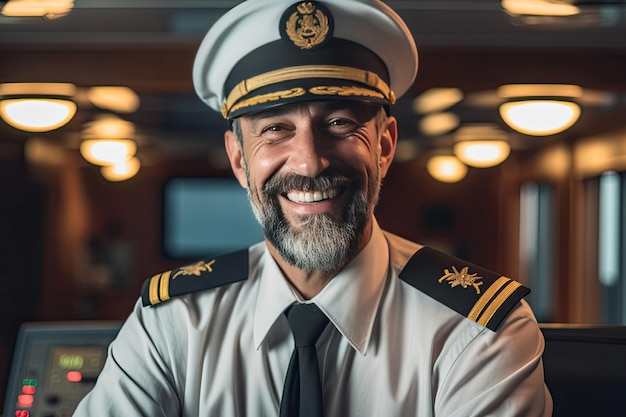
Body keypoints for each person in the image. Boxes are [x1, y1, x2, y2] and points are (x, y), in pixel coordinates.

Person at [74, 0, 553, 416]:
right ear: (239, 159)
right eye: (276, 129)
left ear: (384, 146)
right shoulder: (172, 319)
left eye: (340, 122)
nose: (309, 161)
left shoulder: (476, 328)